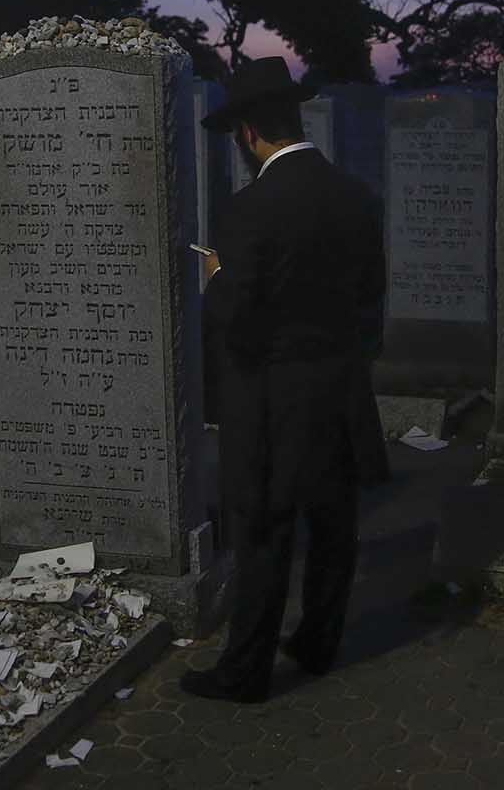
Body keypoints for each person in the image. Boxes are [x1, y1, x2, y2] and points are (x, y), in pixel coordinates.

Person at [181, 57, 390, 703]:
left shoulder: (250, 210)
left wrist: (214, 274)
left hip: (271, 394)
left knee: (264, 531)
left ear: (247, 134)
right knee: (332, 522)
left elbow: (236, 317)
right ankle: (317, 643)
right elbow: (369, 300)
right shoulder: (356, 195)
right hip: (339, 386)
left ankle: (244, 672)